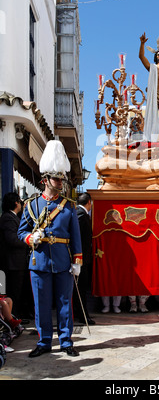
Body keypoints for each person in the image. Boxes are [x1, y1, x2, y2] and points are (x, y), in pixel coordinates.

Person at [18, 140, 83, 357]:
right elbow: (20, 232)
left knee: (65, 304)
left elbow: (75, 237)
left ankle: (66, 341)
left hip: (63, 261)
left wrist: (77, 261)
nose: (60, 182)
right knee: (41, 305)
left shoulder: (69, 206)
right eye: (56, 179)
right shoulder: (31, 204)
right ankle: (44, 342)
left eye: (61, 179)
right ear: (46, 180)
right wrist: (31, 237)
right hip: (39, 261)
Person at [0, 192, 33, 320]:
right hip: (12, 263)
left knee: (18, 291)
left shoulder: (14, 217)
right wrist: (28, 241)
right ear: (16, 203)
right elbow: (12, 239)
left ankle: (16, 316)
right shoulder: (8, 218)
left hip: (17, 262)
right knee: (13, 292)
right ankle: (13, 317)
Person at [74, 192, 95, 325]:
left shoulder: (79, 213)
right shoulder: (81, 215)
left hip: (82, 258)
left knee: (81, 288)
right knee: (81, 288)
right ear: (89, 202)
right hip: (80, 258)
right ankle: (82, 315)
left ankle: (80, 313)